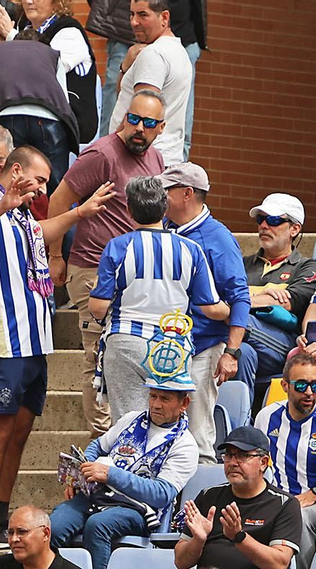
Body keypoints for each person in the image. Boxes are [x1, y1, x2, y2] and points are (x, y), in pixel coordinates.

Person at [0, 146, 114, 548]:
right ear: (16, 171)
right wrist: (2, 205)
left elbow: (40, 232)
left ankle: (2, 515)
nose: (44, 189)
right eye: (40, 180)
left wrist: (80, 213)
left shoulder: (24, 215)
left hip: (34, 341)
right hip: (2, 341)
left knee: (21, 432)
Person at [56, 92, 166, 433]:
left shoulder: (156, 159)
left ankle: (124, 433)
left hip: (135, 276)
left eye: (149, 122)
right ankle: (102, 437)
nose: (139, 128)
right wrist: (55, 255)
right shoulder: (101, 154)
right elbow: (58, 201)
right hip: (92, 267)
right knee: (98, 354)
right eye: (134, 118)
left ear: (161, 128)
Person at [88, 175, 227, 425]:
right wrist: (235, 310)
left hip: (126, 339)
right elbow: (211, 308)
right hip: (172, 343)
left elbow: (98, 307)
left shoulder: (118, 246)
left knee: (127, 423)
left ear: (129, 210)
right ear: (164, 209)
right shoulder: (190, 249)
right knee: (167, 423)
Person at [48, 371, 199, 569]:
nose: (156, 404)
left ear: (184, 403)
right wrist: (81, 473)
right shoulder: (131, 419)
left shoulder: (185, 445)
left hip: (138, 509)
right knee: (52, 528)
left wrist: (110, 474)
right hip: (96, 495)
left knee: (98, 525)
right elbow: (97, 446)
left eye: (165, 399)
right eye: (153, 396)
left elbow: (161, 494)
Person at [161, 162, 253, 459]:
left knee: (198, 434)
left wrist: (231, 352)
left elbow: (240, 297)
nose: (160, 197)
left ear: (187, 193)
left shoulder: (218, 237)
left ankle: (200, 487)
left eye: (166, 190)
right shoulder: (162, 230)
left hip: (203, 345)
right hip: (165, 347)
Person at [163, 426, 300, 569]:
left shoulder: (284, 504)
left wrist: (239, 537)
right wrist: (198, 541)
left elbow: (278, 565)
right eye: (228, 455)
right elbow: (181, 562)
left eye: (243, 456)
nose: (233, 462)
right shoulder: (208, 496)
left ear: (263, 462)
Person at [256, 356, 316, 569]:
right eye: (301, 385)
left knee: (298, 514)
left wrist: (315, 493)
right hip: (275, 499)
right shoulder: (266, 417)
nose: (309, 392)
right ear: (285, 386)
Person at [0, 0, 98, 166]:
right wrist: (2, 47)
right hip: (21, 116)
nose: (29, 1)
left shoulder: (70, 31)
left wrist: (11, 37)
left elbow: (40, 69)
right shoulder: (24, 29)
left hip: (63, 122)